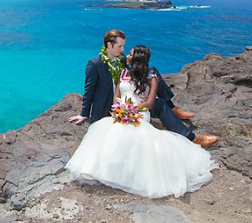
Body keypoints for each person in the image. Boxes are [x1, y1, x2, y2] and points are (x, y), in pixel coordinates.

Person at [65, 45, 217, 198]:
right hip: (122, 110)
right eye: (123, 49)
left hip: (139, 111)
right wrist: (119, 109)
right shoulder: (121, 71)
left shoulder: (150, 76)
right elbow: (115, 96)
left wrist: (131, 110)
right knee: (112, 134)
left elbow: (149, 103)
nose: (126, 55)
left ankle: (185, 128)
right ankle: (183, 125)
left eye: (129, 54)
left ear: (136, 59)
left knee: (154, 109)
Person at [68, 29, 218, 148]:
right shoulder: (95, 64)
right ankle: (188, 133)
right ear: (109, 45)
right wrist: (84, 114)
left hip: (133, 104)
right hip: (111, 108)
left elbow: (136, 75)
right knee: (154, 91)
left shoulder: (123, 60)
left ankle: (184, 126)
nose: (123, 49)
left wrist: (145, 93)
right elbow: (89, 90)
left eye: (124, 46)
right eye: (120, 46)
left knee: (152, 74)